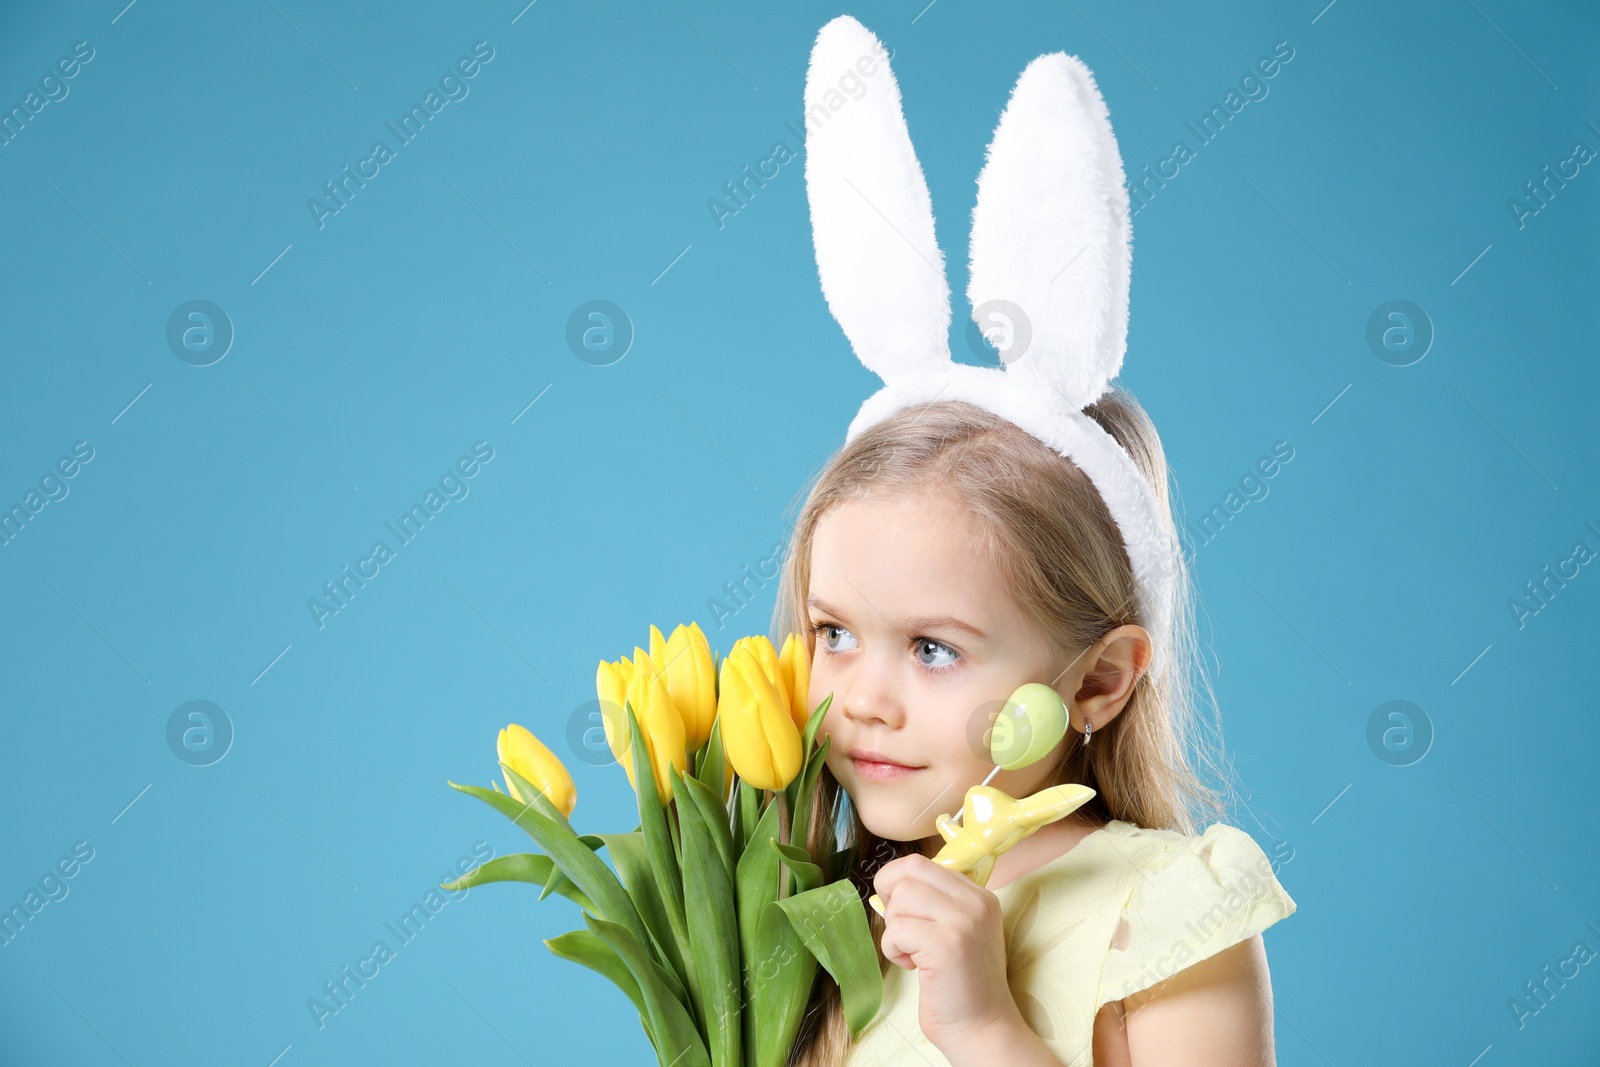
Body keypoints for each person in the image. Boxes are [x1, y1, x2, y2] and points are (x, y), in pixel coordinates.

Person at [773, 15, 1296, 1065]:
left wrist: (984, 1025)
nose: (864, 695)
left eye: (932, 648)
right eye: (833, 631)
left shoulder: (1162, 910)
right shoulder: (811, 915)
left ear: (1099, 680)